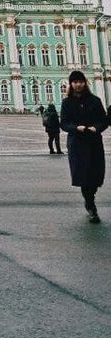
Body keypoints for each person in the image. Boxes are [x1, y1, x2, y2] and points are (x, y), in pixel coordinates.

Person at [60, 70, 106, 223]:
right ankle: (91, 205)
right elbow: (64, 123)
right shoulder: (67, 102)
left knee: (94, 174)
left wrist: (96, 128)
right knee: (84, 175)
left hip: (93, 142)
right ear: (71, 84)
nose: (78, 84)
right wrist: (75, 128)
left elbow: (103, 120)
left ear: (85, 83)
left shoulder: (95, 100)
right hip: (77, 143)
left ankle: (90, 197)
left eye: (80, 81)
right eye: (75, 82)